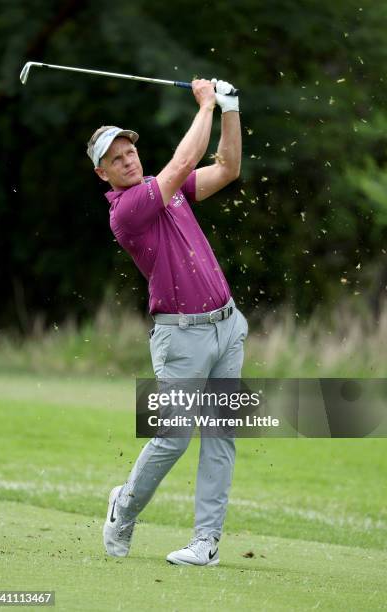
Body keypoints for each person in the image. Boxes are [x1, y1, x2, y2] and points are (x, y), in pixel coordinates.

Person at [86, 78, 248, 566]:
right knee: (172, 437)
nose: (128, 160)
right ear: (103, 175)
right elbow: (179, 166)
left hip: (228, 326)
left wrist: (230, 110)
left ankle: (206, 543)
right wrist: (204, 104)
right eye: (115, 159)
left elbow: (228, 167)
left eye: (129, 150)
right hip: (182, 337)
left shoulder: (166, 191)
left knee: (222, 433)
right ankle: (125, 506)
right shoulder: (129, 209)